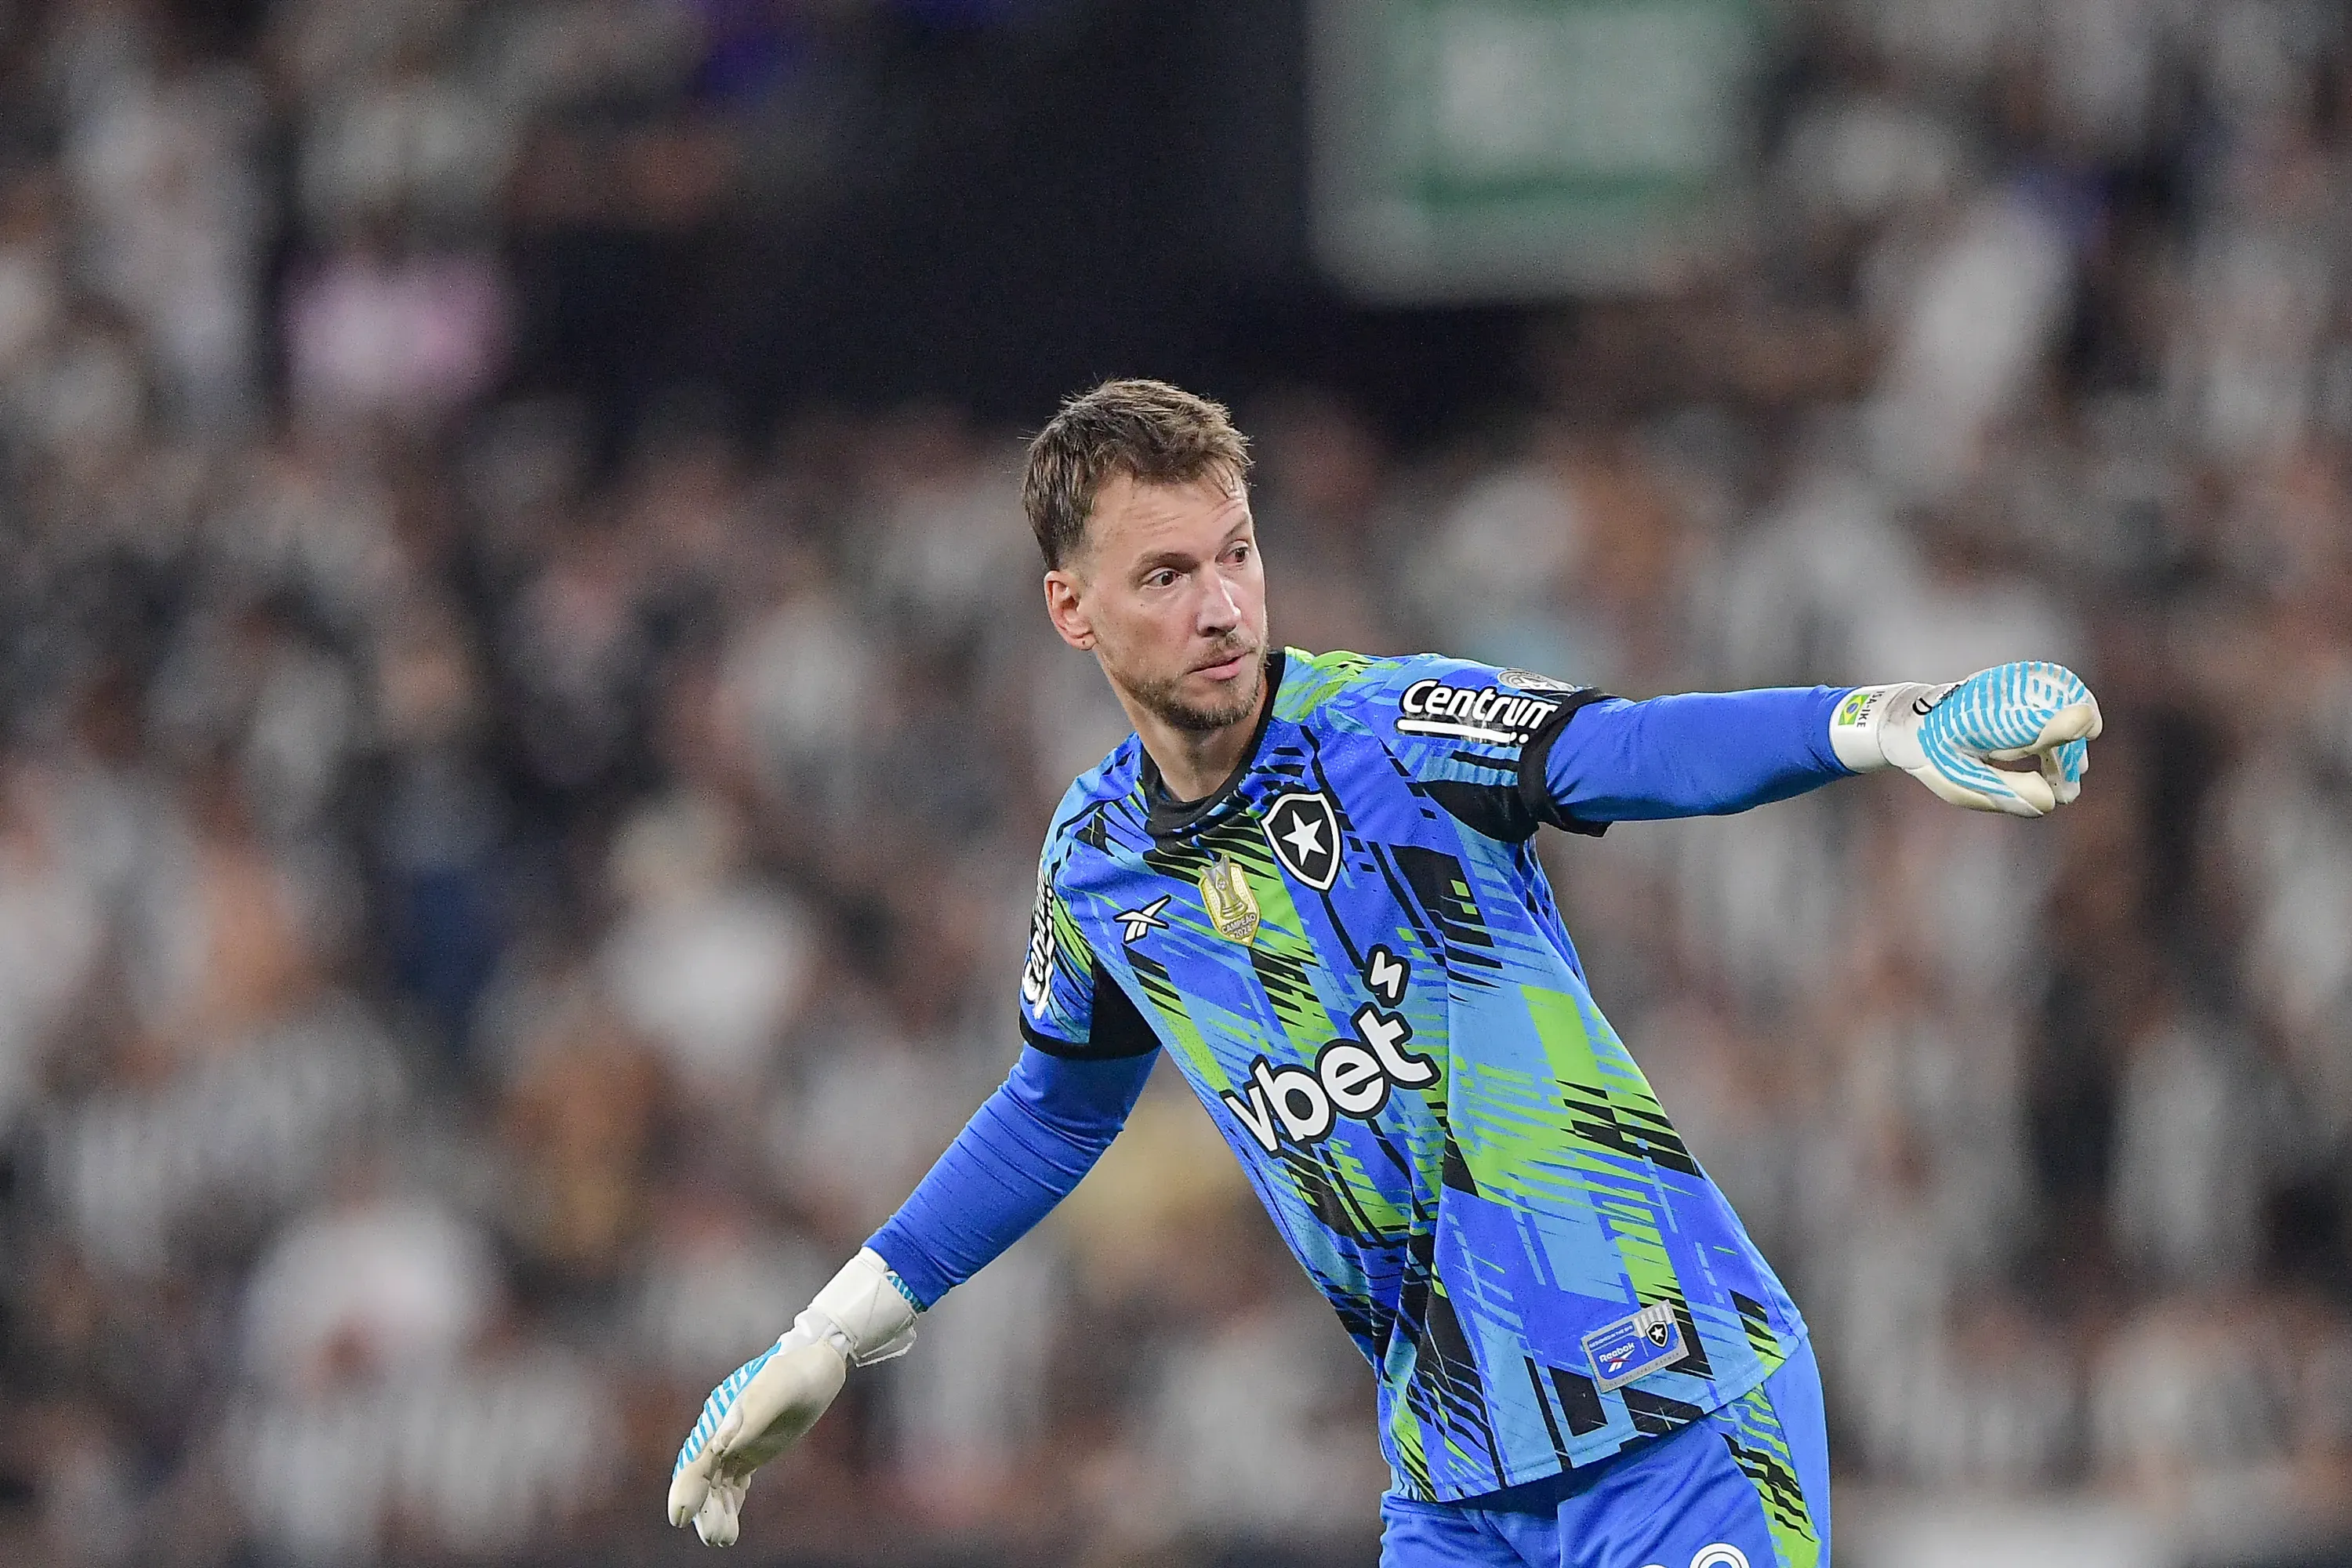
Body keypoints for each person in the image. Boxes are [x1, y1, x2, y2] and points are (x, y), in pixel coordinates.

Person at [665, 380, 2101, 1568]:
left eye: (1237, 552)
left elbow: (1627, 751)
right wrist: (834, 1334)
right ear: (1072, 610)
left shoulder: (1396, 728)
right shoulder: (1099, 862)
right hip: (1453, 1477)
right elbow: (1053, 1112)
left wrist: (1889, 723)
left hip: (1681, 1411)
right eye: (1166, 575)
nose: (1223, 604)